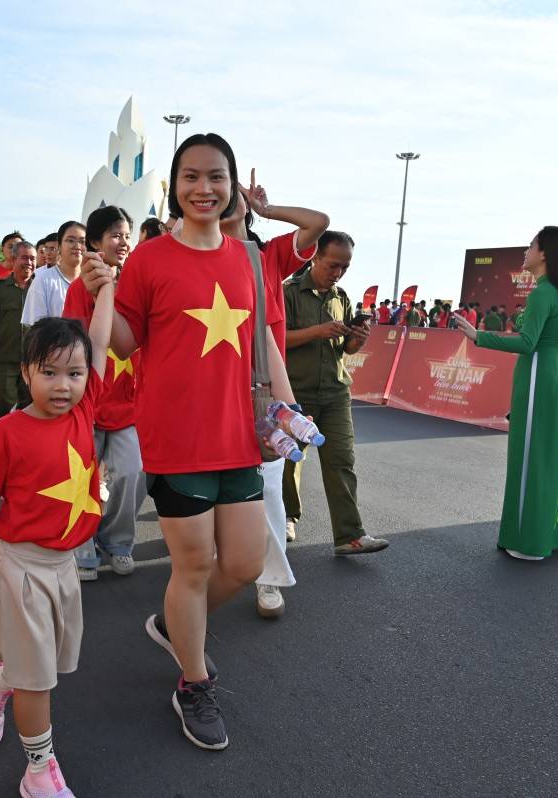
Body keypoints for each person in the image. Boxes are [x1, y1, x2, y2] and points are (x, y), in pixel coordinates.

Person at [85, 132, 273, 751]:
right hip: (175, 438)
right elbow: (123, 345)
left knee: (243, 564)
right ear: (174, 185)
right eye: (191, 177)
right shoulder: (151, 259)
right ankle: (192, 682)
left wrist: (286, 407)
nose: (204, 188)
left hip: (240, 436)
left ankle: (174, 622)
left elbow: (263, 343)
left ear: (234, 186)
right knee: (193, 566)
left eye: (216, 177)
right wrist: (103, 289)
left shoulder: (248, 258)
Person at [0, 267, 115, 798]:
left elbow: (101, 341)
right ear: (26, 373)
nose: (64, 385)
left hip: (64, 564)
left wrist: (106, 290)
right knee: (37, 675)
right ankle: (39, 770)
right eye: (51, 373)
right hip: (16, 564)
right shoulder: (5, 434)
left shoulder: (86, 409)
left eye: (75, 374)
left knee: (34, 663)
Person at [218, 168, 328, 617]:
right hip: (213, 391)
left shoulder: (269, 256)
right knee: (211, 490)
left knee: (268, 490)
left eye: (230, 189)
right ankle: (210, 572)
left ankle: (269, 579)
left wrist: (266, 209)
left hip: (263, 392)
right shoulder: (194, 255)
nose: (226, 197)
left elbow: (317, 222)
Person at [456, 226, 558, 560]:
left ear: (544, 254)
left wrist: (478, 336)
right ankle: (556, 533)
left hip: (536, 384)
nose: (525, 252)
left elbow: (528, 343)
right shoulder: (556, 292)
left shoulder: (543, 293)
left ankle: (530, 542)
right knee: (551, 458)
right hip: (551, 380)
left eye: (530, 246)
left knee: (530, 460)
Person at [283, 231, 389, 558]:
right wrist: (317, 331)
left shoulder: (341, 297)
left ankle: (349, 534)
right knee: (288, 460)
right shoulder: (287, 293)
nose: (338, 273)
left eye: (345, 267)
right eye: (333, 265)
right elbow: (275, 339)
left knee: (342, 461)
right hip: (294, 393)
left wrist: (358, 339)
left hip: (335, 392)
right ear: (314, 256)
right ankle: (286, 516)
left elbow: (345, 349)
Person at [62, 205, 147, 582]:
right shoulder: (82, 288)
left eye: (127, 234)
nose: (123, 241)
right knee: (81, 478)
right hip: (88, 405)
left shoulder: (139, 283)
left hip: (130, 406)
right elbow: (74, 344)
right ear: (95, 242)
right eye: (114, 235)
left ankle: (117, 543)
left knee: (133, 473)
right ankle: (82, 546)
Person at [0, 242, 36, 422]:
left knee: (30, 404)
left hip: (34, 359)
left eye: (32, 259)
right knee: (4, 402)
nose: (29, 262)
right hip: (5, 358)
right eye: (24, 257)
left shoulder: (40, 286)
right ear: (13, 259)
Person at [22, 220, 85, 326]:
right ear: (59, 247)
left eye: (82, 241)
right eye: (70, 240)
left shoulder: (95, 281)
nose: (77, 245)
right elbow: (36, 327)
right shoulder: (42, 280)